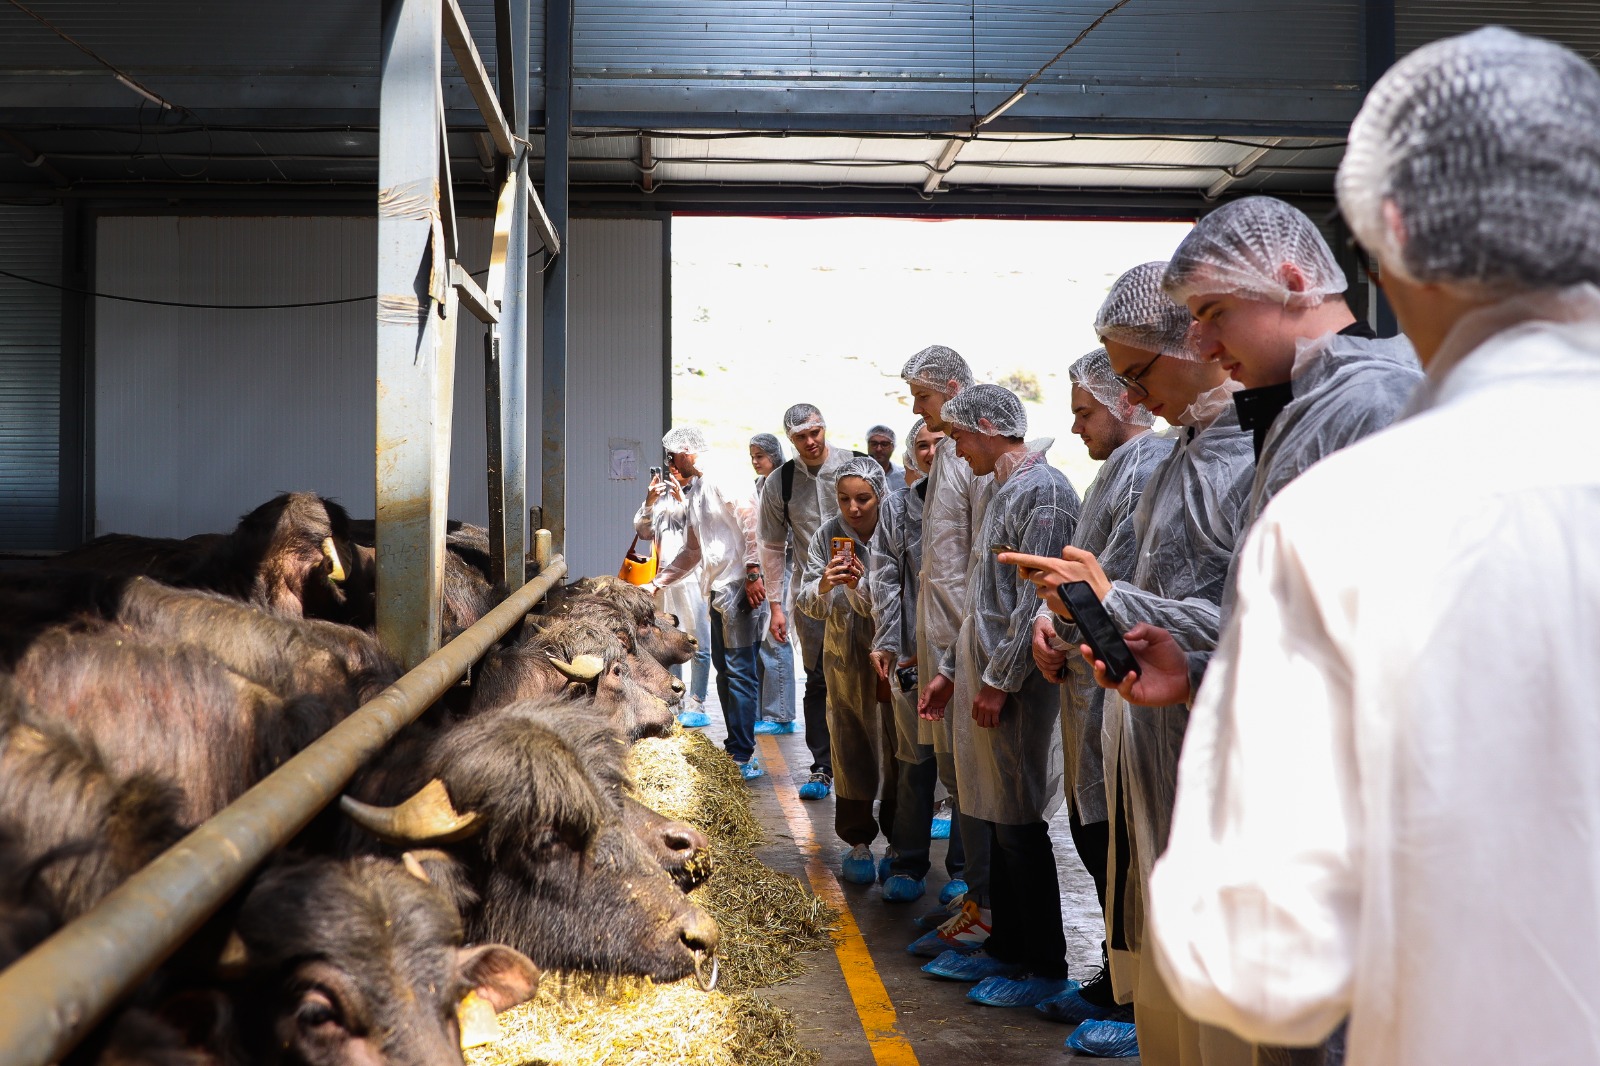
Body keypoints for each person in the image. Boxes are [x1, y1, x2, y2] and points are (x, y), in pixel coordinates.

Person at [1110, 29, 1600, 1066]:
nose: (1196, 346)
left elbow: (1259, 963)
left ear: (1388, 230)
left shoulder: (1354, 512)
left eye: (1206, 315)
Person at [1012, 263, 1256, 1062]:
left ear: (1195, 339)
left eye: (1137, 375)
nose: (1133, 398)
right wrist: (1084, 610)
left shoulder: (1251, 454)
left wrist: (1110, 602)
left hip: (1221, 752)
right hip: (1152, 730)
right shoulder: (1179, 460)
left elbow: (1263, 624)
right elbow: (1146, 587)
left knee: (1228, 981)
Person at [916, 383, 1080, 1010]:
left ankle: (1042, 961)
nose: (956, 449)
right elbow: (987, 603)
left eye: (958, 436)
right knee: (999, 818)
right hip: (989, 677)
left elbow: (1032, 605)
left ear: (988, 425)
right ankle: (1008, 948)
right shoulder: (1010, 489)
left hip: (1019, 687)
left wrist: (998, 680)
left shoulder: (1044, 491)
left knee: (1019, 826)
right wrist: (957, 670)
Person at [1029, 347, 1173, 1029]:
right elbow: (1079, 574)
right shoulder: (1121, 468)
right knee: (1100, 836)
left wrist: (1056, 625)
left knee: (1120, 839)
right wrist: (1048, 621)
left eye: (1085, 412)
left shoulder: (1145, 463)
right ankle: (1119, 981)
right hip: (1093, 678)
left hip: (1126, 685)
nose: (1077, 426)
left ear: (1125, 402)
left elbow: (1109, 583)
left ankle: (1131, 995)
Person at [899, 345, 995, 958]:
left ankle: (985, 912)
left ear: (955, 389)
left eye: (925, 398)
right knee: (961, 784)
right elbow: (936, 565)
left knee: (984, 792)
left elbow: (971, 569)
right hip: (943, 643)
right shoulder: (948, 462)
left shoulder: (968, 460)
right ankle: (976, 905)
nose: (917, 409)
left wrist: (956, 661)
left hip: (967, 647)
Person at [867, 418, 959, 905]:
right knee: (914, 761)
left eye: (938, 442)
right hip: (912, 653)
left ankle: (963, 870)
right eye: (921, 445)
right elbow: (885, 577)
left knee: (966, 770)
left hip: (964, 657)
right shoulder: (901, 505)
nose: (930, 452)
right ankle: (908, 859)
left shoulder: (977, 497)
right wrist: (891, 641)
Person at [794, 456, 897, 883]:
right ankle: (857, 840)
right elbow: (805, 595)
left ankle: (900, 841)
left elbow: (903, 593)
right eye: (843, 499)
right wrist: (825, 583)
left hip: (892, 650)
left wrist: (862, 586)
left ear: (880, 495)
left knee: (898, 746)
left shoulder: (896, 529)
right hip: (844, 652)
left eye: (863, 499)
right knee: (850, 739)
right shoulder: (828, 534)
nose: (853, 509)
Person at [650, 426, 769, 779]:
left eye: (671, 457)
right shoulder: (698, 488)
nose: (670, 465)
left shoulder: (722, 474)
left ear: (687, 450)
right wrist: (656, 583)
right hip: (718, 588)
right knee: (725, 671)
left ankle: (743, 754)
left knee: (740, 672)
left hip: (738, 586)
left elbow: (751, 519)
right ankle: (735, 748)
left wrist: (752, 570)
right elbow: (692, 550)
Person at [759, 403, 858, 799]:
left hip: (862, 593)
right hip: (812, 598)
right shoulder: (781, 483)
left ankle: (868, 768)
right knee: (818, 680)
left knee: (866, 679)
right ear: (790, 439)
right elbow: (770, 546)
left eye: (815, 432)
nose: (810, 441)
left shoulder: (856, 466)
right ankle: (822, 767)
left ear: (824, 427)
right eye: (801, 437)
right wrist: (776, 606)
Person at [632, 463, 713, 728]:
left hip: (692, 580)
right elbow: (643, 532)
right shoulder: (659, 501)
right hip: (662, 581)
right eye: (670, 467)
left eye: (678, 466)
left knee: (698, 641)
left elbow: (704, 532)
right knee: (669, 642)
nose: (673, 471)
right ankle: (675, 701)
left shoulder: (699, 494)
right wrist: (649, 500)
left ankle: (698, 703)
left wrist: (685, 501)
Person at [749, 432, 798, 735]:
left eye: (760, 456)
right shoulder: (759, 484)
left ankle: (781, 713)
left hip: (784, 565)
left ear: (774, 455)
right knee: (763, 639)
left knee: (777, 636)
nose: (755, 462)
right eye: (752, 456)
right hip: (765, 568)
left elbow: (782, 535)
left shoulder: (784, 483)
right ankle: (768, 710)